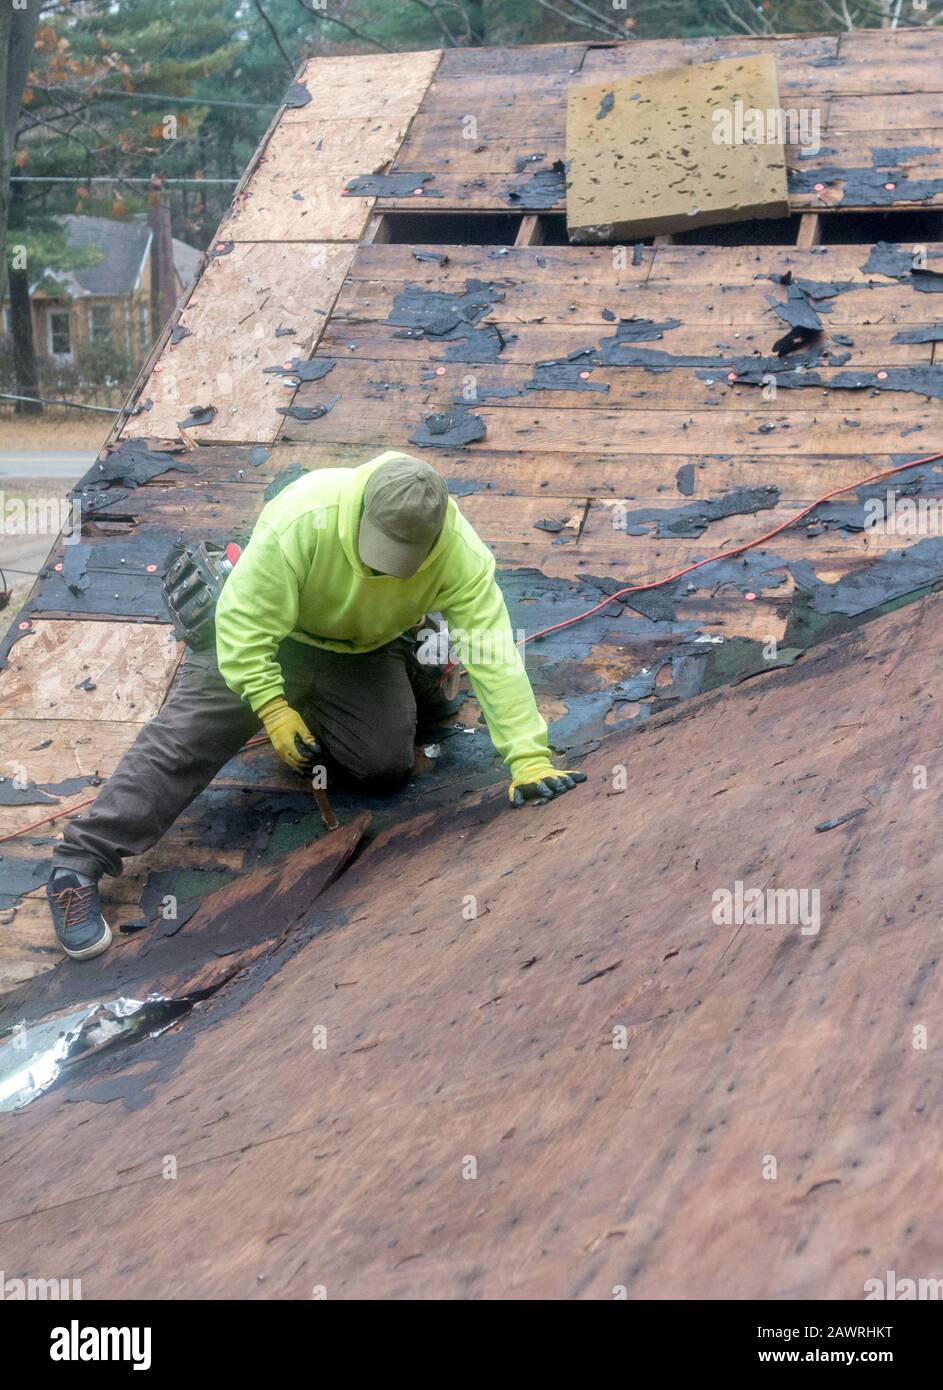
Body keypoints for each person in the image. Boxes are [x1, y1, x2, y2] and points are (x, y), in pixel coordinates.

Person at [46, 451, 586, 959]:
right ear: (358, 516)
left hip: (362, 649)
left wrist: (527, 757)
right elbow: (243, 627)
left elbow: (494, 655)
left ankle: (401, 668)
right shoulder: (302, 517)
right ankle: (78, 864)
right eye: (377, 559)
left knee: (384, 765)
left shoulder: (460, 555)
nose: (384, 571)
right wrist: (272, 705)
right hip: (268, 641)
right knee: (183, 741)